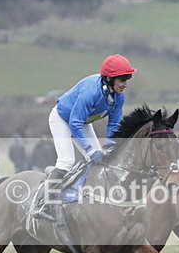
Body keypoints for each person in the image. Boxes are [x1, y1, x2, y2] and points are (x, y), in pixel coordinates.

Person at [36, 54, 136, 220]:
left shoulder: (119, 96)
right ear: (110, 78)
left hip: (82, 122)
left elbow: (114, 125)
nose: (126, 84)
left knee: (101, 161)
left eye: (128, 78)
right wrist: (90, 150)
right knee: (66, 161)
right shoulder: (91, 92)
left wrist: (111, 148)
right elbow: (74, 124)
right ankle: (44, 204)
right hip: (62, 119)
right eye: (123, 79)